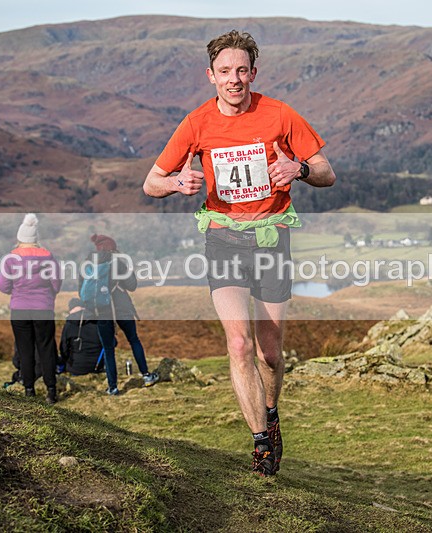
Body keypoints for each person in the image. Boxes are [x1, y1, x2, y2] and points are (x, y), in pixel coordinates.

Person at [143, 30, 336, 476]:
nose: (234, 80)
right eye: (225, 72)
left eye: (242, 71)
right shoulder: (196, 124)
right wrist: (176, 183)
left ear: (253, 73)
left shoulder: (280, 114)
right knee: (237, 342)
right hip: (223, 238)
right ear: (210, 76)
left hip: (271, 239)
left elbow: (327, 172)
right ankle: (260, 442)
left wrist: (299, 168)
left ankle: (271, 413)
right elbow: (151, 181)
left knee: (270, 353)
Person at [80, 234, 159, 396]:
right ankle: (146, 376)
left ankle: (113, 387)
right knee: (133, 339)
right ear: (111, 248)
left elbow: (81, 292)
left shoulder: (87, 265)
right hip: (122, 309)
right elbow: (132, 285)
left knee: (108, 349)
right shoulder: (117, 263)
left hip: (101, 311)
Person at [0, 214, 62, 405]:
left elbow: (3, 286)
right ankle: (51, 391)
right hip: (44, 308)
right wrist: (48, 295)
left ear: (20, 238)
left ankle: (29, 390)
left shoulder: (10, 258)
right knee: (47, 349)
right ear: (35, 238)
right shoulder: (48, 256)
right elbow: (56, 283)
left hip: (19, 309)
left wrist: (16, 291)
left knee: (24, 350)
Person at [58, 297, 106, 376]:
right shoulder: (97, 322)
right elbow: (112, 343)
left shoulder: (69, 325)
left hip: (75, 368)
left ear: (71, 309)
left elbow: (64, 349)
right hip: (97, 367)